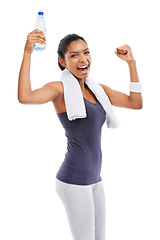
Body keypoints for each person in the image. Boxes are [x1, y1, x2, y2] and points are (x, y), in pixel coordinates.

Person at [18, 29, 143, 240]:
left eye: (86, 52)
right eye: (74, 55)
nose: (83, 59)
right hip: (73, 181)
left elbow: (135, 103)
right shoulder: (59, 90)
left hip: (95, 179)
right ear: (63, 61)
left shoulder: (98, 90)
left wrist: (131, 63)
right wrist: (27, 52)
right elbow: (25, 97)